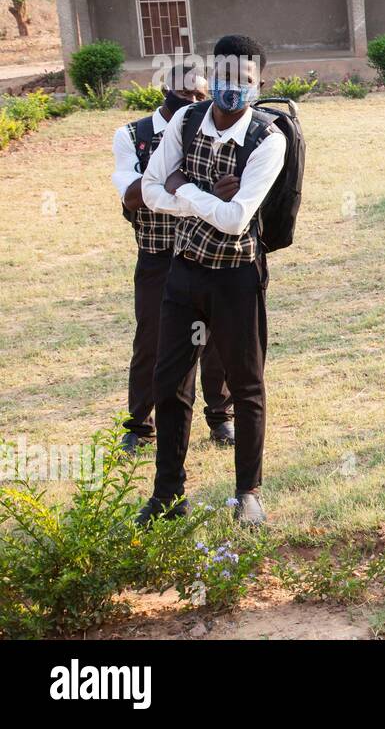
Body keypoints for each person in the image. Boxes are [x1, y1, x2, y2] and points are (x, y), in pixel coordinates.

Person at [138, 34, 287, 527]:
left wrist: (185, 187)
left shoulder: (270, 139)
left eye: (243, 80)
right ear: (210, 76)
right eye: (223, 76)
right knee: (169, 382)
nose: (230, 88)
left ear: (258, 84)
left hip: (237, 279)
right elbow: (149, 190)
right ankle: (167, 494)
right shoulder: (185, 120)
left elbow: (236, 220)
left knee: (246, 387)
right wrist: (202, 195)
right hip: (185, 272)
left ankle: (248, 493)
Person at [112, 64, 234, 454]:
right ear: (166, 91)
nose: (194, 103)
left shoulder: (211, 133)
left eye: (201, 97)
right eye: (185, 95)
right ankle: (139, 426)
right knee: (152, 339)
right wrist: (171, 166)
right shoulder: (133, 135)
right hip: (158, 254)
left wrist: (178, 186)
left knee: (214, 338)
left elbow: (229, 191)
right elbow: (133, 195)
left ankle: (221, 418)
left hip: (205, 250)